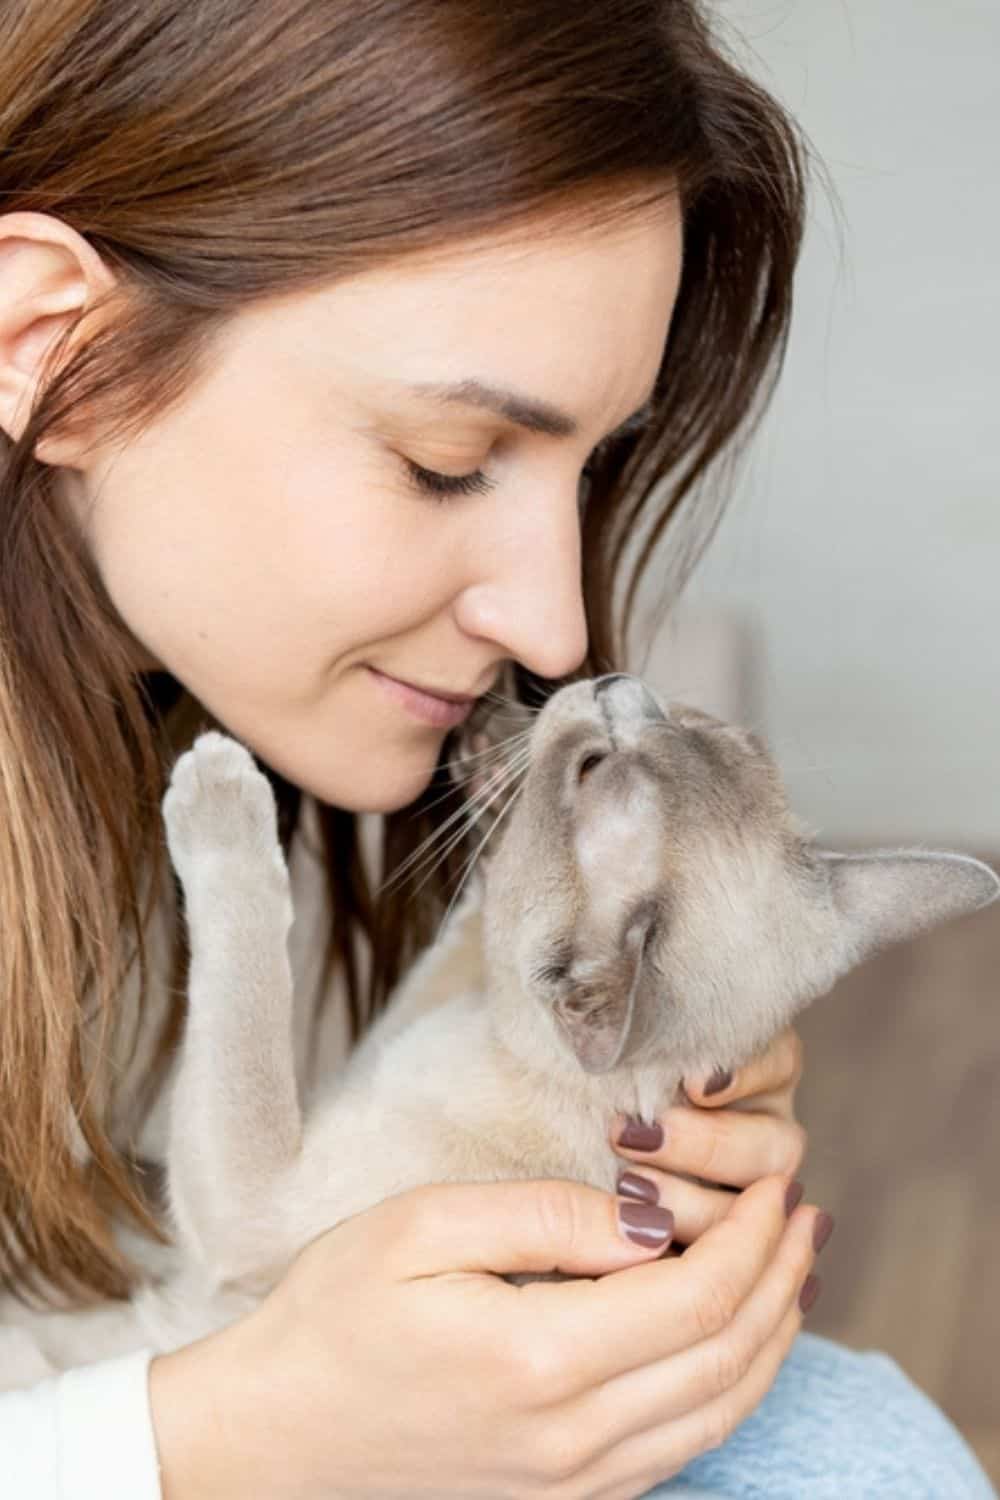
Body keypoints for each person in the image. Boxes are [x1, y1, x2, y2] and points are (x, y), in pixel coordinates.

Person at [0, 2, 994, 1496]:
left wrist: (573, 1113)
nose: (551, 622)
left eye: (589, 462)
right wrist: (214, 1436)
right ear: (48, 344)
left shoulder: (237, 726)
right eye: (447, 460)